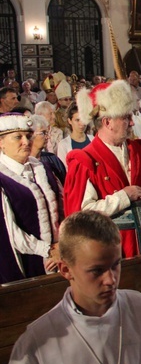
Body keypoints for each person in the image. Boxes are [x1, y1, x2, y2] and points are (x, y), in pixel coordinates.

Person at [0, 211, 141, 364]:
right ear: (66, 270)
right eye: (97, 270)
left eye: (116, 264)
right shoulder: (38, 342)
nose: (111, 280)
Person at [65, 80, 141, 258]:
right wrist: (123, 197)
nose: (132, 123)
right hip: (113, 252)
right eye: (126, 118)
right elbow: (81, 215)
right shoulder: (85, 160)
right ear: (107, 122)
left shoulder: (138, 150)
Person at [0, 113, 63, 283]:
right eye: (17, 137)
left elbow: (64, 209)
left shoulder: (44, 168)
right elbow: (11, 232)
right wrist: (47, 250)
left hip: (60, 258)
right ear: (1, 143)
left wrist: (62, 246)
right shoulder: (2, 179)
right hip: (27, 262)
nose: (26, 142)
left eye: (28, 136)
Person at [28, 114, 66, 184]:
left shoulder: (53, 159)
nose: (47, 137)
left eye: (47, 133)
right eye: (43, 133)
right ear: (31, 135)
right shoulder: (25, 163)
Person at [56, 103, 93, 168]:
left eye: (84, 119)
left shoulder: (93, 140)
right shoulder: (63, 145)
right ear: (70, 121)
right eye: (77, 120)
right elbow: (64, 170)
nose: (81, 124)